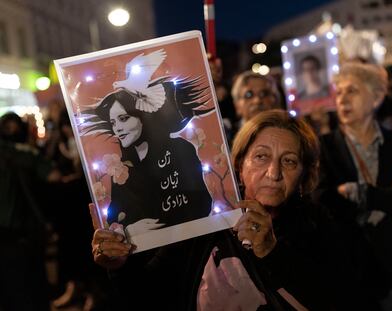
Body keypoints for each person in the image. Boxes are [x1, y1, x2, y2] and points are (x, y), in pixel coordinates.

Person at [90, 109, 362, 310]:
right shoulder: (203, 223)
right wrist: (119, 266)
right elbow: (149, 297)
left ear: (304, 175)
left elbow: (343, 299)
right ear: (240, 166)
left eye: (289, 161)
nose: (273, 173)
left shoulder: (320, 223)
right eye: (261, 156)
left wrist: (273, 253)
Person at [314, 62, 392, 311]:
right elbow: (323, 201)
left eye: (353, 91)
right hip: (347, 268)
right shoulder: (322, 148)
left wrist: (360, 194)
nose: (343, 99)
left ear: (377, 97)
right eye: (339, 92)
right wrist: (389, 195)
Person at [82, 78, 214, 234]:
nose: (117, 128)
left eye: (123, 119)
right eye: (113, 122)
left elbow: (202, 203)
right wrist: (130, 230)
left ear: (143, 117)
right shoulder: (121, 168)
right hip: (143, 254)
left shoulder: (181, 149)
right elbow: (115, 216)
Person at [0, 112, 60, 311]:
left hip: (16, 235)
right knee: (30, 293)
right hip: (21, 235)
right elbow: (54, 176)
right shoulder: (25, 153)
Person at [231, 71, 281, 136]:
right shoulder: (225, 138)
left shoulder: (288, 135)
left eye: (264, 94)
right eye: (249, 95)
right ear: (237, 106)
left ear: (275, 100)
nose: (257, 101)